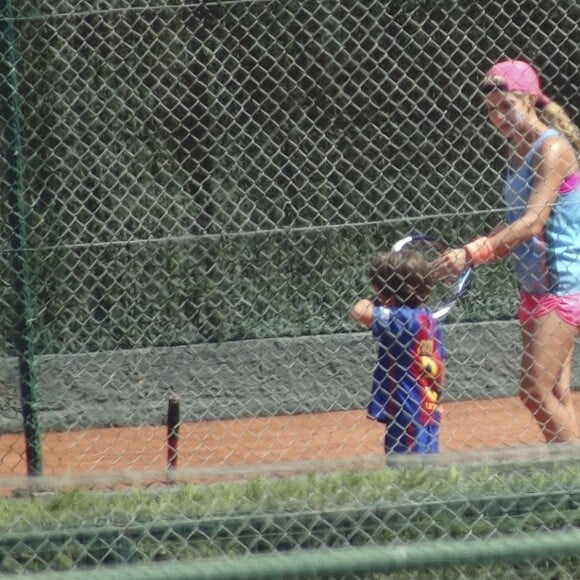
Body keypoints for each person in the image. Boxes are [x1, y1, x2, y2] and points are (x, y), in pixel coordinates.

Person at [435, 58, 580, 443]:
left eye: (505, 106)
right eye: (490, 110)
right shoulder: (517, 150)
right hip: (534, 287)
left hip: (564, 286)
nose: (497, 116)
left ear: (529, 100)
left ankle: (573, 474)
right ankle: (565, 483)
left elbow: (533, 222)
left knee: (533, 391)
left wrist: (474, 253)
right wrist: (472, 248)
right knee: (555, 393)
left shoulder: (551, 150)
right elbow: (514, 219)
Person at [350, 249, 445, 455]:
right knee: (426, 470)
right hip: (426, 408)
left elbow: (359, 312)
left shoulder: (401, 319)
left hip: (407, 411)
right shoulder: (426, 318)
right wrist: (437, 400)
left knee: (406, 472)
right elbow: (440, 365)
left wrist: (373, 297)